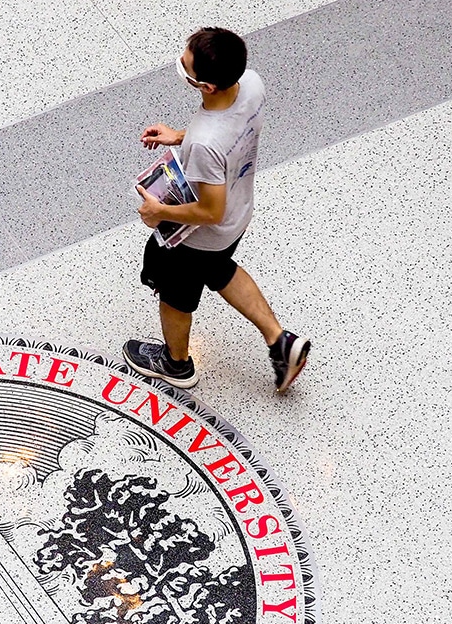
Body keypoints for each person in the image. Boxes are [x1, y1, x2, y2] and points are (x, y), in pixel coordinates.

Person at [123, 27, 311, 392]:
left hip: (203, 234)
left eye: (186, 62)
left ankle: (175, 364)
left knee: (174, 291)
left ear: (207, 86)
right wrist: (181, 136)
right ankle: (280, 342)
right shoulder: (251, 84)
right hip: (238, 216)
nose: (181, 61)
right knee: (219, 268)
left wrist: (158, 212)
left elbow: (210, 210)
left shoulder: (206, 144)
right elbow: (226, 131)